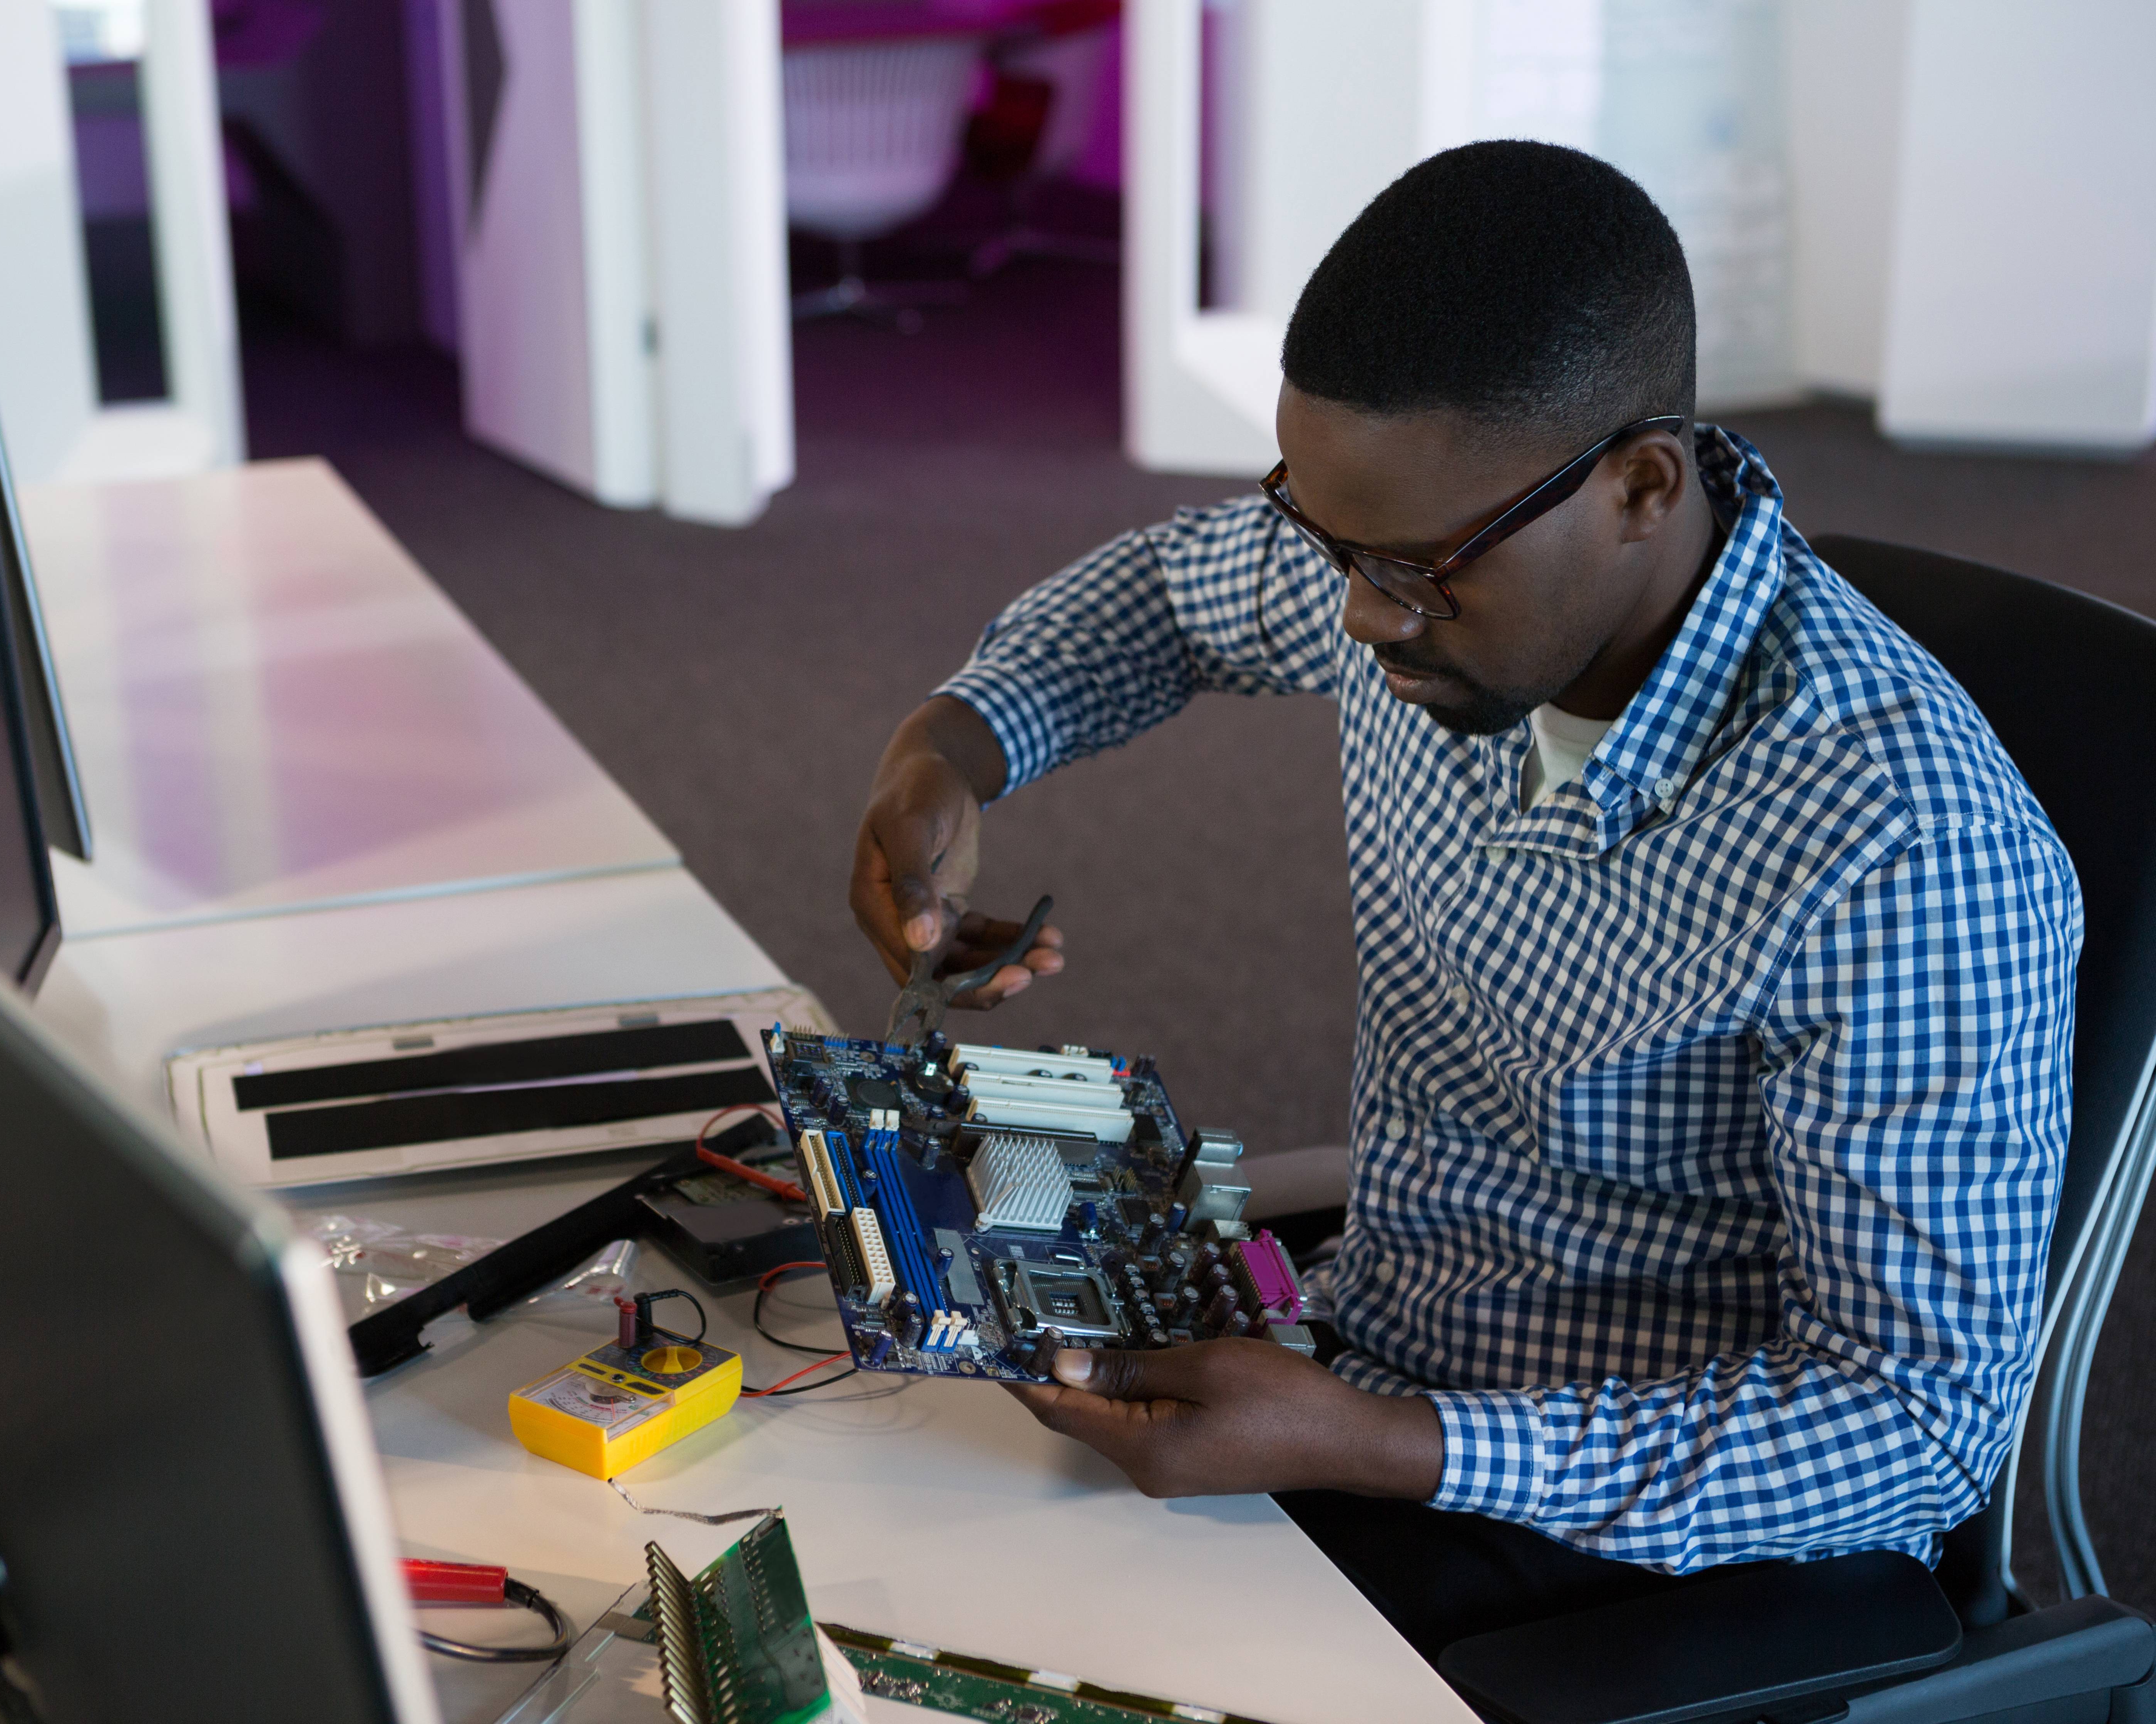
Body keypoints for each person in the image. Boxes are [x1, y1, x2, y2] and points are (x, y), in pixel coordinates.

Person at [845, 141, 2081, 1659]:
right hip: (1374, 1338)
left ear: (1642, 486)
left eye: (1415, 573)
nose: (1360, 616)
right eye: (1327, 541)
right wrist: (948, 752)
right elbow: (1171, 596)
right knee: (880, 1524)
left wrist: (1383, 1442)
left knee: (1029, 1657)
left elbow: (1914, 1425)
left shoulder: (1902, 846)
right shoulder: (1449, 546)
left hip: (1632, 1541)